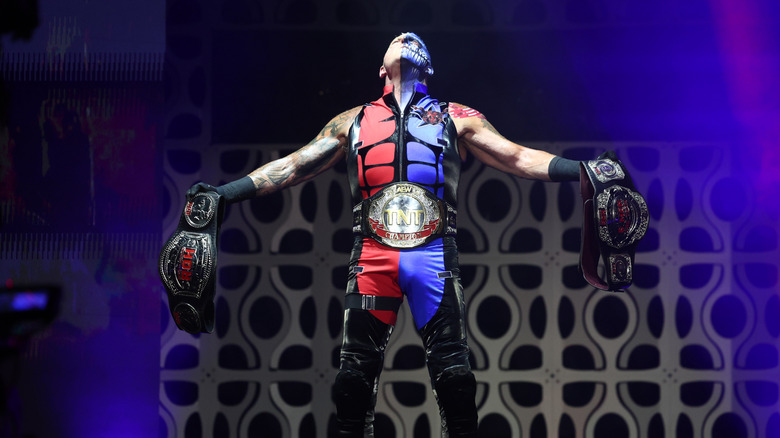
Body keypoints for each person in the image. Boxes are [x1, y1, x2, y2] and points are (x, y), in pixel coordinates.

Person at [188, 32, 585, 438]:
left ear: (428, 68)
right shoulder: (352, 121)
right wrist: (224, 194)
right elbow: (292, 166)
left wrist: (585, 171)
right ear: (381, 68)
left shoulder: (457, 117)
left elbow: (517, 156)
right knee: (352, 383)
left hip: (434, 256)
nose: (406, 35)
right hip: (371, 258)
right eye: (397, 37)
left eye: (415, 39)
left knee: (457, 381)